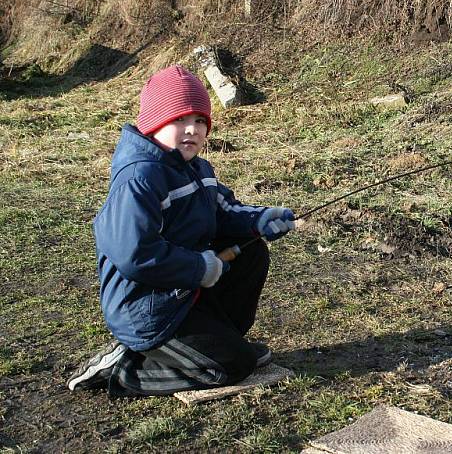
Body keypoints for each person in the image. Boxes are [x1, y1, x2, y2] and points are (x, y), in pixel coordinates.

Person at [67, 65, 295, 396]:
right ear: (155, 123)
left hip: (183, 294)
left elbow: (225, 210)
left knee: (252, 247)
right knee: (233, 366)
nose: (193, 129)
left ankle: (220, 342)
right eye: (180, 119)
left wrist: (260, 219)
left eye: (200, 120)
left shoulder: (197, 168)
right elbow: (136, 254)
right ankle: (125, 372)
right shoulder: (140, 178)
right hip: (146, 310)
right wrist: (199, 267)